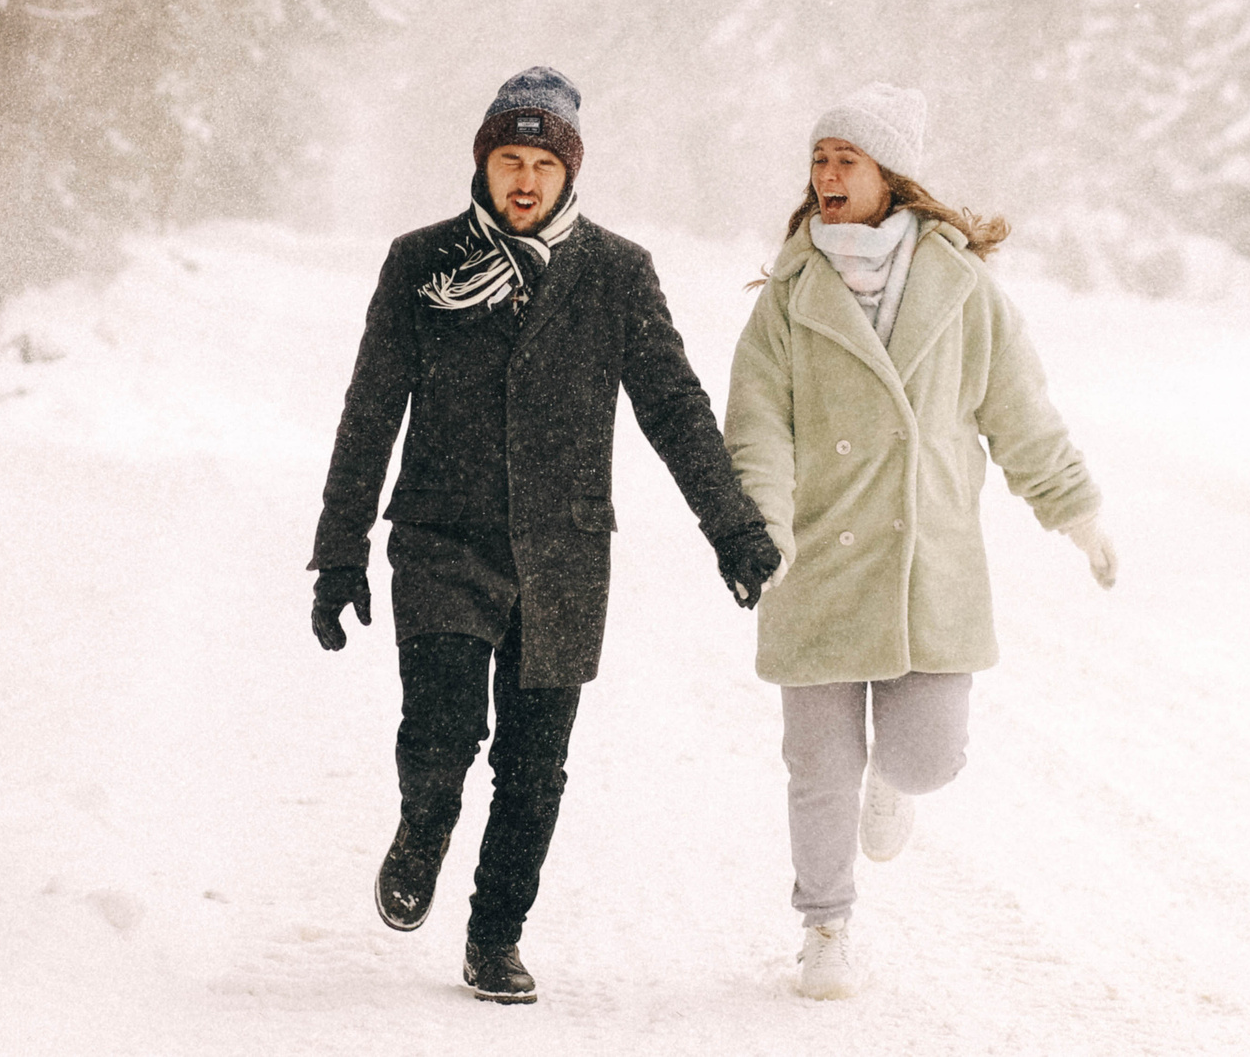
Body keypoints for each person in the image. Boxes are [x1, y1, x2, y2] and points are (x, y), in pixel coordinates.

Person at [309, 65, 784, 1006]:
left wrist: (732, 528)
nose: (524, 181)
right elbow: (370, 410)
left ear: (570, 173)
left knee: (533, 768)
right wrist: (339, 550)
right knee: (442, 729)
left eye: (543, 165)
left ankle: (495, 936)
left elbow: (674, 406)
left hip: (563, 552)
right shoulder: (421, 263)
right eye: (508, 161)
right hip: (443, 537)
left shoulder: (616, 274)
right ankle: (424, 823)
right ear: (483, 164)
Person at [722, 82, 1117, 1000]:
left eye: (846, 159)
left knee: (927, 756)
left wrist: (1077, 511)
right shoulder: (789, 295)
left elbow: (1021, 415)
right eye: (819, 159)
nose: (827, 174)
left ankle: (893, 780)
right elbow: (757, 426)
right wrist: (763, 528)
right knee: (818, 768)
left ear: (890, 175)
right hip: (817, 564)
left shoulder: (965, 290)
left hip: (925, 565)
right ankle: (825, 927)